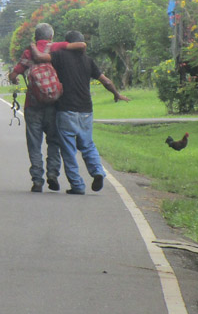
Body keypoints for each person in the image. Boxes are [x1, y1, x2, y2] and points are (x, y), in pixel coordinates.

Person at [29, 30, 129, 195]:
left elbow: (39, 58)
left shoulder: (60, 56)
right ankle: (97, 171)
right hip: (86, 111)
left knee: (68, 150)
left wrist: (32, 45)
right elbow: (106, 81)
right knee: (88, 145)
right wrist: (116, 94)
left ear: (68, 44)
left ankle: (77, 185)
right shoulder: (88, 61)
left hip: (66, 110)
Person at [8, 23, 86, 193]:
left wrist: (15, 78)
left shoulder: (29, 52)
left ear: (36, 37)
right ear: (51, 36)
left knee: (34, 144)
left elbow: (13, 74)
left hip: (33, 104)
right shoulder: (56, 47)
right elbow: (80, 45)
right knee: (54, 141)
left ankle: (37, 180)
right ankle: (53, 174)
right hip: (54, 104)